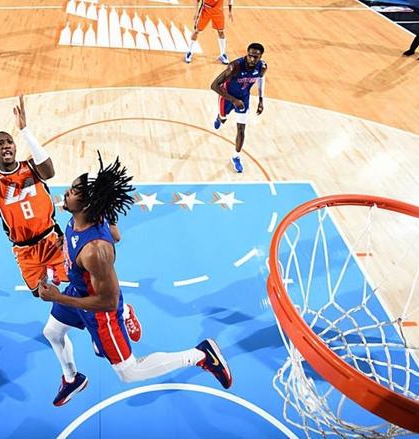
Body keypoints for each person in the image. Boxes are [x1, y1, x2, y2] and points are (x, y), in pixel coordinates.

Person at [0, 96, 142, 390]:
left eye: (9, 142)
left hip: (52, 239)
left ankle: (121, 313)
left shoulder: (32, 168)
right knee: (44, 294)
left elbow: (49, 170)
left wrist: (25, 131)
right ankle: (82, 356)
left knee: (83, 282)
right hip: (26, 251)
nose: (6, 146)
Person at [37, 153, 233, 407]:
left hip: (100, 311)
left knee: (128, 372)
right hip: (79, 290)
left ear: (86, 204)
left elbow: (108, 302)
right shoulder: (85, 217)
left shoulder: (95, 251)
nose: (66, 192)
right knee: (52, 331)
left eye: (73, 191)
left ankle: (200, 355)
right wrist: (66, 245)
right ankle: (72, 379)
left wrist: (58, 297)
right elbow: (116, 235)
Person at [210, 42, 267, 173]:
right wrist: (234, 100)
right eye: (250, 55)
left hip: (243, 98)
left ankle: (236, 157)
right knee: (223, 118)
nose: (252, 59)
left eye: (256, 57)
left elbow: (261, 79)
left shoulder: (262, 67)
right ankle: (220, 118)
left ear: (260, 57)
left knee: (241, 129)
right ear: (247, 54)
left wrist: (261, 100)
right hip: (227, 96)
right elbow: (214, 85)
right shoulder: (235, 67)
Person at [184, 0, 233, 64]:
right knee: (196, 31)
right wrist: (196, 12)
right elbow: (197, 1)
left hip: (218, 11)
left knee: (221, 32)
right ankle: (189, 52)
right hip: (205, 11)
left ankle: (223, 54)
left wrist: (230, 11)